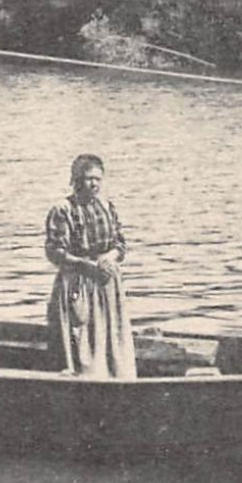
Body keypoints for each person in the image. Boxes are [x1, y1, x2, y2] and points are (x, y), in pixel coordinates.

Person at [45, 153, 137, 378]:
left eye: (97, 178)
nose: (93, 183)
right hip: (79, 281)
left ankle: (114, 374)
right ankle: (86, 375)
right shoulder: (63, 209)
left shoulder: (107, 206)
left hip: (106, 280)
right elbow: (55, 251)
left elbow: (120, 243)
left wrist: (111, 256)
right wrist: (86, 265)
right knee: (83, 334)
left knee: (110, 332)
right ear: (76, 180)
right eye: (87, 178)